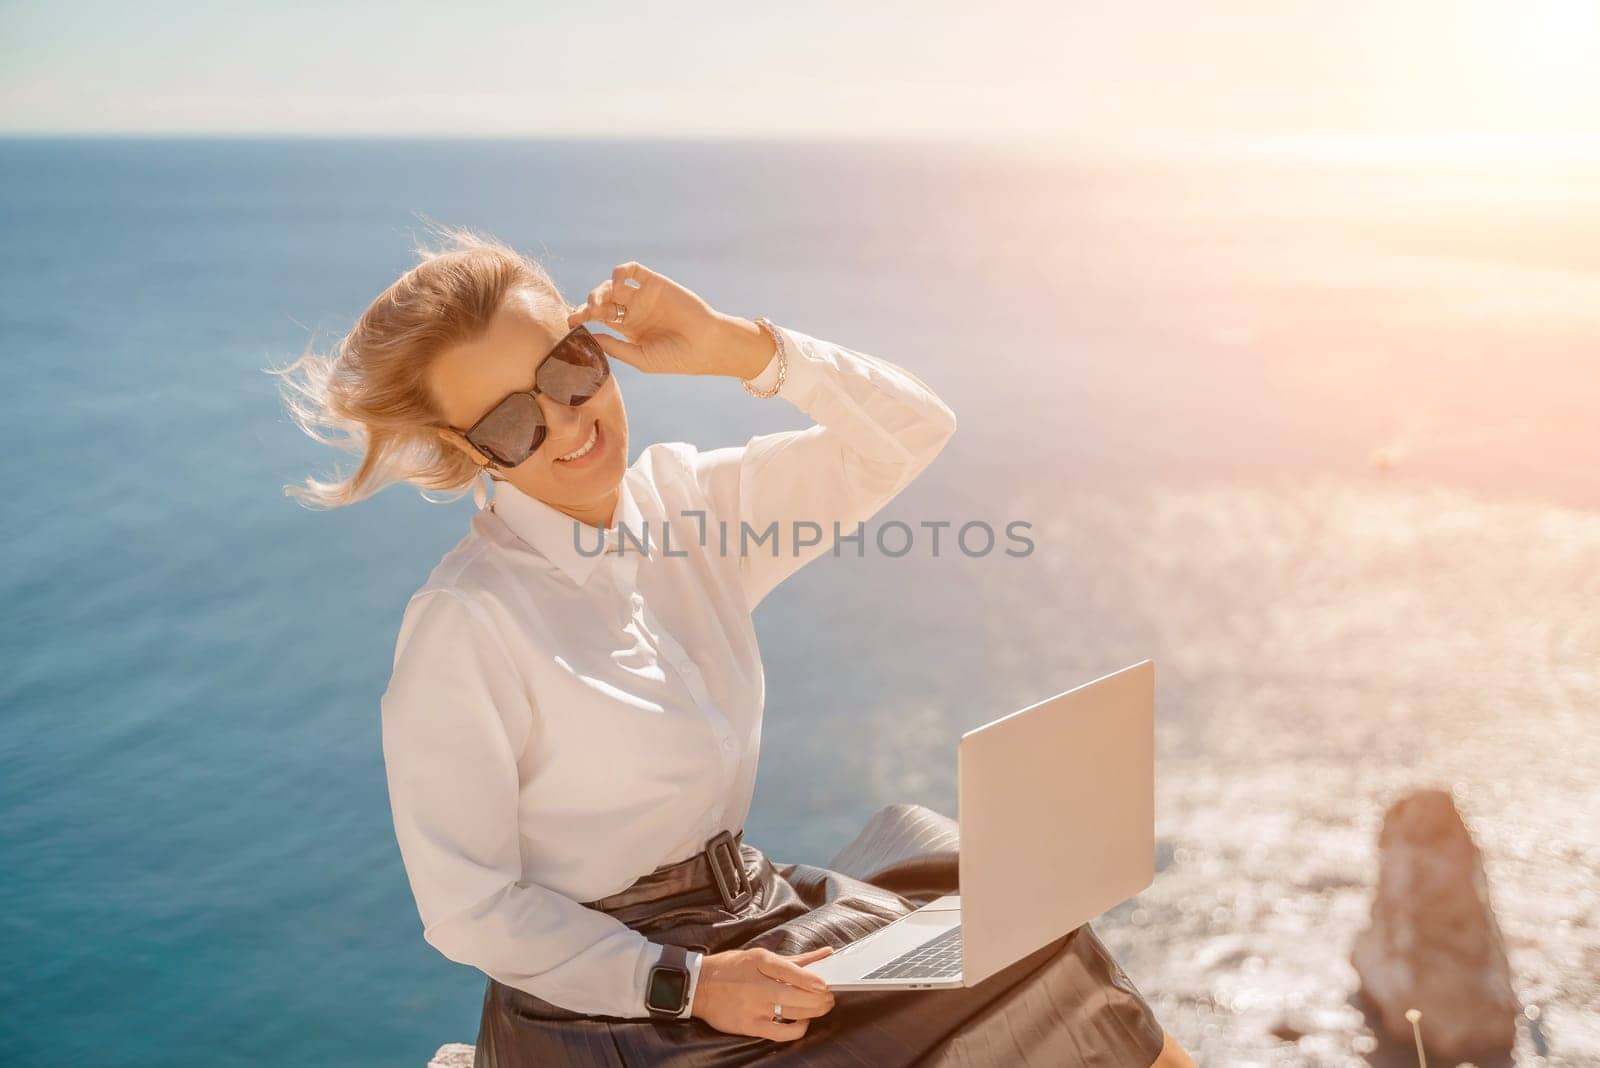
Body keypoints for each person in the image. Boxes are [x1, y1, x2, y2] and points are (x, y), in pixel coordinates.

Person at [275, 225, 1194, 1066]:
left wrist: (737, 349)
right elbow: (468, 907)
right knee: (1039, 966)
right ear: (468, 449)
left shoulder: (690, 508)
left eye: (568, 371)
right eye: (513, 421)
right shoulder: (467, 624)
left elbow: (911, 433)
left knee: (1023, 907)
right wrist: (685, 983)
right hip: (613, 1004)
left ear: (593, 347)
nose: (567, 422)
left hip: (746, 917)